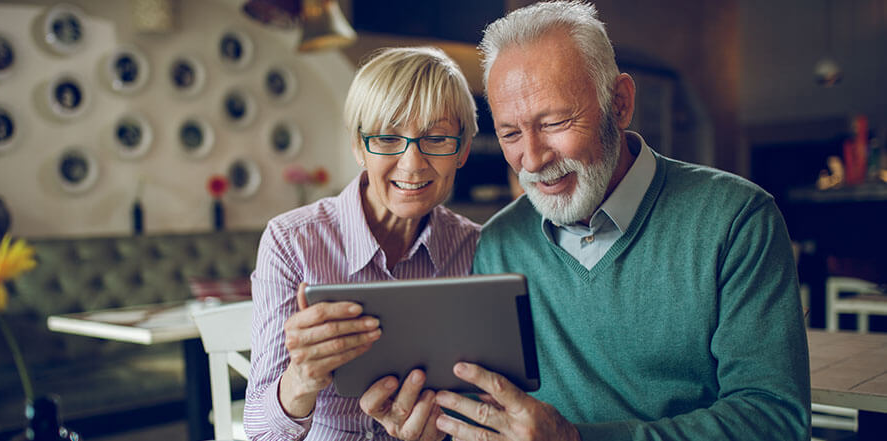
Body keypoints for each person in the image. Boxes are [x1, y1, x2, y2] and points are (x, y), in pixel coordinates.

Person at [416, 2, 810, 440]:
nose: (531, 158)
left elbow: (774, 419)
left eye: (555, 122)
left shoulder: (737, 221)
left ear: (619, 104)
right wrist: (437, 427)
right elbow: (489, 411)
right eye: (510, 133)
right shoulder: (497, 245)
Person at [244, 46, 480, 441]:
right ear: (358, 146)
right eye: (388, 138)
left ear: (462, 150)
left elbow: (485, 404)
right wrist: (301, 379)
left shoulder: (475, 247)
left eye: (436, 138)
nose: (412, 163)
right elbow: (260, 433)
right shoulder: (292, 242)